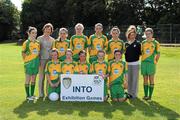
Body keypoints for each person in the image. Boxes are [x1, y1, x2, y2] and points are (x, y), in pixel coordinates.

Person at [141, 28, 160, 100]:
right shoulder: (143, 42)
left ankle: (150, 96)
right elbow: (141, 52)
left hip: (151, 63)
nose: (148, 35)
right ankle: (146, 95)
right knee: (145, 79)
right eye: (146, 34)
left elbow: (158, 54)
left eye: (149, 34)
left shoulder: (156, 43)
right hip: (144, 63)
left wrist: (155, 62)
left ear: (152, 34)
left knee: (151, 79)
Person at [22, 26, 40, 100]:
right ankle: (28, 95)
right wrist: (27, 61)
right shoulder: (26, 43)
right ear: (29, 33)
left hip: (35, 63)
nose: (34, 34)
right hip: (29, 64)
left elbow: (38, 53)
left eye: (35, 33)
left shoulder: (38, 42)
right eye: (32, 33)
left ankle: (32, 95)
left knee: (33, 79)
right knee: (28, 79)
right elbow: (23, 54)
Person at [37, 23, 55, 98]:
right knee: (41, 76)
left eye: (49, 29)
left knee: (49, 77)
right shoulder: (39, 38)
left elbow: (53, 50)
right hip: (42, 59)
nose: (48, 30)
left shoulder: (53, 39)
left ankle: (48, 92)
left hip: (50, 60)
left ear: (51, 30)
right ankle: (41, 93)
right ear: (44, 29)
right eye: (46, 28)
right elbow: (37, 49)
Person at [125, 28, 141, 99]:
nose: (132, 36)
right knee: (129, 79)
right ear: (128, 35)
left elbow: (140, 54)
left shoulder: (138, 43)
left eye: (134, 34)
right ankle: (129, 93)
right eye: (131, 34)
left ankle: (134, 94)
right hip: (127, 64)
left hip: (135, 64)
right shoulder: (126, 44)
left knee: (134, 79)